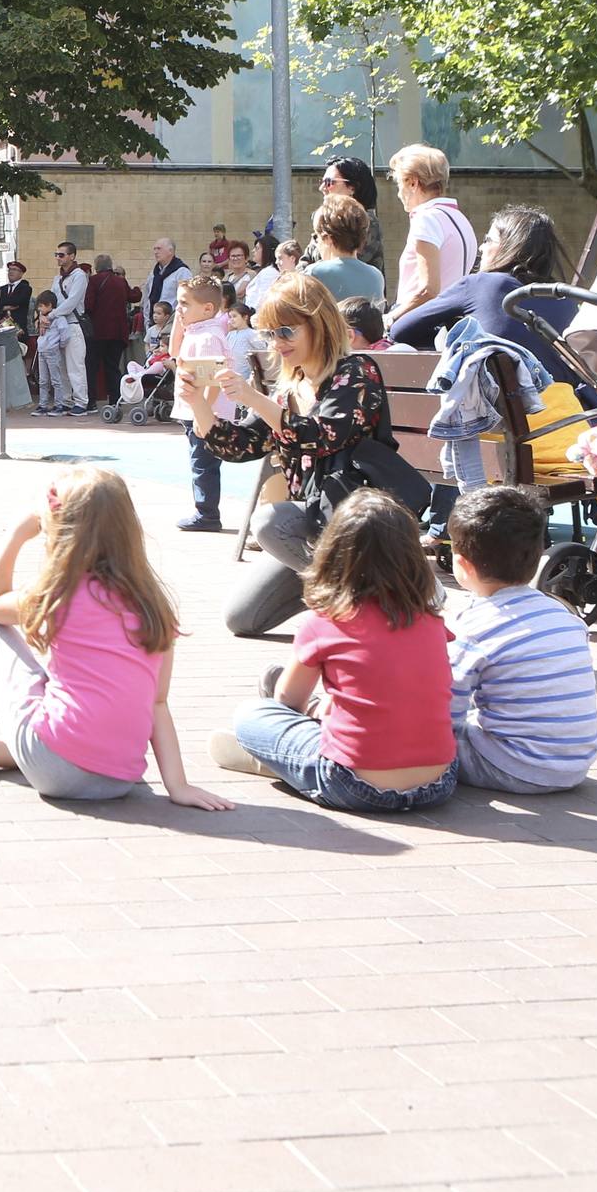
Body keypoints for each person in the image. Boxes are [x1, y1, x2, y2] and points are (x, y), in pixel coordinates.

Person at [0, 469, 236, 809]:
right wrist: (178, 785)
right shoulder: (154, 607)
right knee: (60, 707)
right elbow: (158, 703)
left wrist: (15, 535)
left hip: (51, 765)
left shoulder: (60, 595)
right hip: (118, 780)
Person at [210, 489, 457, 812]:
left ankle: (285, 761)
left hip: (352, 783)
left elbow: (288, 702)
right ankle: (313, 737)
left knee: (252, 715)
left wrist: (312, 711)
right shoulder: (431, 621)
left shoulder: (327, 621)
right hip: (438, 783)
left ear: (335, 552)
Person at [188, 275, 399, 637]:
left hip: (360, 526)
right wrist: (196, 403)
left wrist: (255, 399)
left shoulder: (357, 373)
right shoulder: (290, 388)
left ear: (318, 324)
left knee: (270, 522)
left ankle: (370, 603)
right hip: (315, 526)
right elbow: (240, 446)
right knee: (242, 617)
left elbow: (319, 437)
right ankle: (352, 598)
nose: (277, 343)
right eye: (270, 334)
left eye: (285, 331)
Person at [441, 486, 597, 794]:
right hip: (575, 764)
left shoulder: (473, 626)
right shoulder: (561, 613)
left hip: (515, 766)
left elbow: (446, 709)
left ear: (463, 565)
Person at [384, 206, 591, 393]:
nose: (481, 249)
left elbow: (400, 329)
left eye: (488, 240)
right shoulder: (567, 301)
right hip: (567, 424)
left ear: (509, 247)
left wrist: (454, 334)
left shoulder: (481, 284)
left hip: (494, 427)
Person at [166, 274, 238, 532]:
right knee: (200, 460)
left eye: (185, 304)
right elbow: (173, 351)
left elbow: (213, 381)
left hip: (207, 413)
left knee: (203, 462)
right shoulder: (195, 330)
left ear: (207, 308)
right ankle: (204, 510)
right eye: (178, 303)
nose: (179, 309)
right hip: (196, 410)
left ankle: (207, 513)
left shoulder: (209, 337)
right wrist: (179, 319)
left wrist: (202, 414)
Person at [383, 145, 475, 324]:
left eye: (399, 184)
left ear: (413, 183)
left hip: (420, 323)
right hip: (449, 321)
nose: (398, 193)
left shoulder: (426, 219)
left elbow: (428, 290)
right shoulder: (459, 219)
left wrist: (390, 318)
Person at [303, 195, 385, 305]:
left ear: (328, 238)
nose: (316, 243)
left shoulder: (314, 274)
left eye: (316, 237)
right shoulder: (376, 276)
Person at [320, 155, 389, 271]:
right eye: (322, 182)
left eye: (329, 182)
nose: (322, 188)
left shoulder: (367, 223)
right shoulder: (327, 220)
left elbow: (348, 266)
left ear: (352, 188)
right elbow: (306, 260)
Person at [85, 259, 136, 386]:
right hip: (118, 332)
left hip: (98, 331)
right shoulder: (120, 281)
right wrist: (137, 289)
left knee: (92, 367)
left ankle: (91, 401)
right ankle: (115, 400)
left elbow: (88, 305)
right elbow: (134, 297)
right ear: (110, 266)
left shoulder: (93, 281)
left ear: (97, 267)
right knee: (113, 366)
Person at [33, 290, 74, 413]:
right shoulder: (42, 319)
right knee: (43, 380)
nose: (40, 309)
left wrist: (58, 345)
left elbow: (65, 334)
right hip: (42, 351)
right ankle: (43, 404)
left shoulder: (58, 318)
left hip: (52, 351)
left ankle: (59, 404)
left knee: (56, 380)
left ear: (50, 305)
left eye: (42, 306)